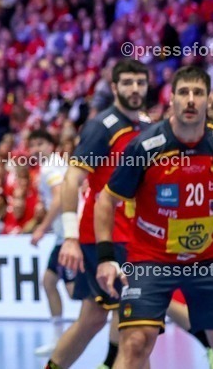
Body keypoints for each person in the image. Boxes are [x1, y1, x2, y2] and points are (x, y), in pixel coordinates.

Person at [97, 65, 213, 369]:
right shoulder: (144, 147)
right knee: (135, 343)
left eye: (198, 93)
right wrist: (106, 257)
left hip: (207, 260)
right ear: (171, 99)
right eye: (184, 92)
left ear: (208, 100)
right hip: (151, 260)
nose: (191, 100)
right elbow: (106, 200)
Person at [46, 58, 150, 369]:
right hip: (103, 237)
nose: (134, 89)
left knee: (96, 318)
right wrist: (69, 237)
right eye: (128, 83)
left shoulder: (148, 127)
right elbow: (71, 179)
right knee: (134, 325)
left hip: (135, 237)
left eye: (140, 83)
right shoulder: (101, 127)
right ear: (115, 87)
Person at [28, 129, 77, 358]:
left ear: (51, 145)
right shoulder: (56, 164)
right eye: (33, 145)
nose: (37, 149)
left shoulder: (50, 168)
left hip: (68, 235)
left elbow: (59, 197)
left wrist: (41, 227)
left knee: (75, 291)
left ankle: (120, 313)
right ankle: (58, 339)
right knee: (48, 282)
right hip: (62, 235)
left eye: (41, 143)